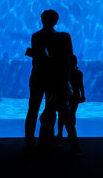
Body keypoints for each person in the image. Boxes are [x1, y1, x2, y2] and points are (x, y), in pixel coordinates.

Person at [38, 32, 81, 154]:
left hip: (60, 92)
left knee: (46, 117)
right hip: (64, 92)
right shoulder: (66, 58)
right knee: (66, 120)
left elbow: (54, 74)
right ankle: (75, 147)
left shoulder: (58, 59)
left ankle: (46, 145)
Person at [24, 9, 58, 149]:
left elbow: (40, 55)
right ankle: (46, 140)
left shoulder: (36, 36)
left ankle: (29, 140)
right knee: (50, 109)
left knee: (33, 109)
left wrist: (33, 54)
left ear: (42, 20)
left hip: (38, 75)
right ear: (56, 21)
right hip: (52, 77)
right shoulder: (59, 37)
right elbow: (54, 58)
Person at [57, 54, 86, 139]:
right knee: (72, 114)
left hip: (65, 95)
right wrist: (83, 95)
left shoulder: (65, 72)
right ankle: (70, 135)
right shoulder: (79, 73)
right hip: (76, 96)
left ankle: (60, 133)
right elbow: (81, 85)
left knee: (61, 115)